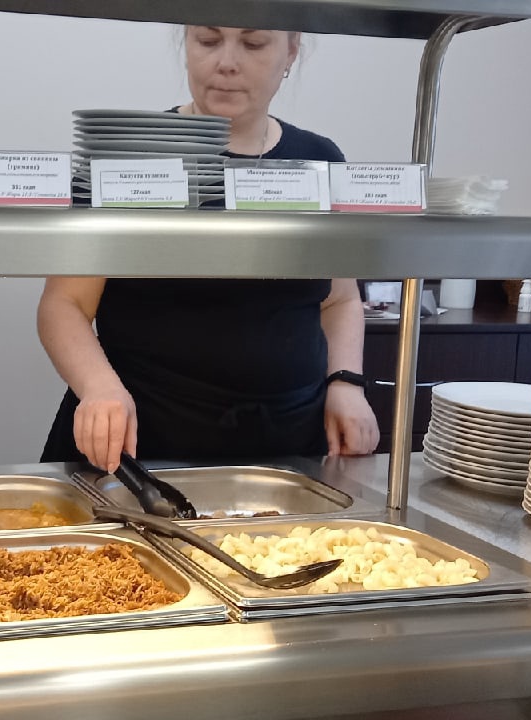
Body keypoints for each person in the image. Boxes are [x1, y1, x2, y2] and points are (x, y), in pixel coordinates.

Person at [39, 25, 379, 473]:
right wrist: (99, 387)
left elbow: (340, 299)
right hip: (139, 447)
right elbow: (64, 304)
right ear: (186, 44)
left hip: (288, 446)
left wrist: (346, 384)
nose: (226, 63)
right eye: (208, 40)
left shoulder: (320, 158)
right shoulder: (127, 155)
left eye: (253, 44)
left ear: (291, 51)